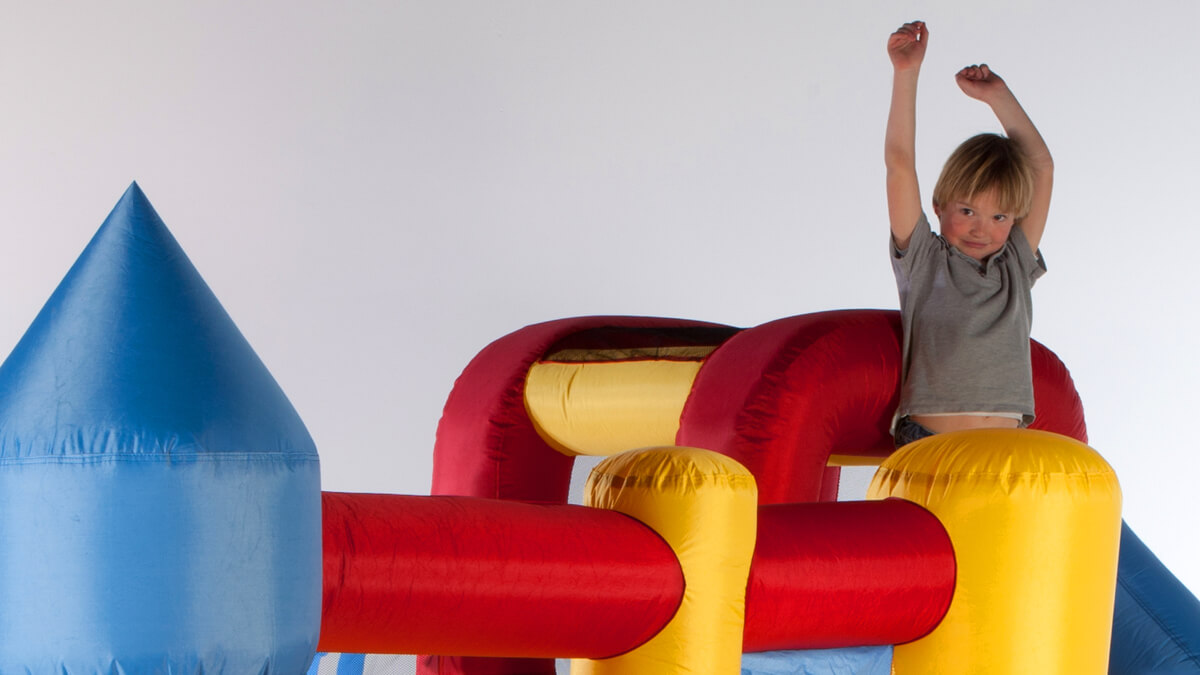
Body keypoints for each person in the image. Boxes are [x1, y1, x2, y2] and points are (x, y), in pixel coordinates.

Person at [885, 20, 1054, 447]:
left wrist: (998, 96)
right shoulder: (925, 260)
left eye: (999, 217)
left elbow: (1041, 166)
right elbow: (900, 165)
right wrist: (906, 73)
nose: (982, 229)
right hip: (931, 444)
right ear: (938, 206)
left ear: (1015, 218)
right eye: (967, 211)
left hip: (1005, 450)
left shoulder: (1014, 265)